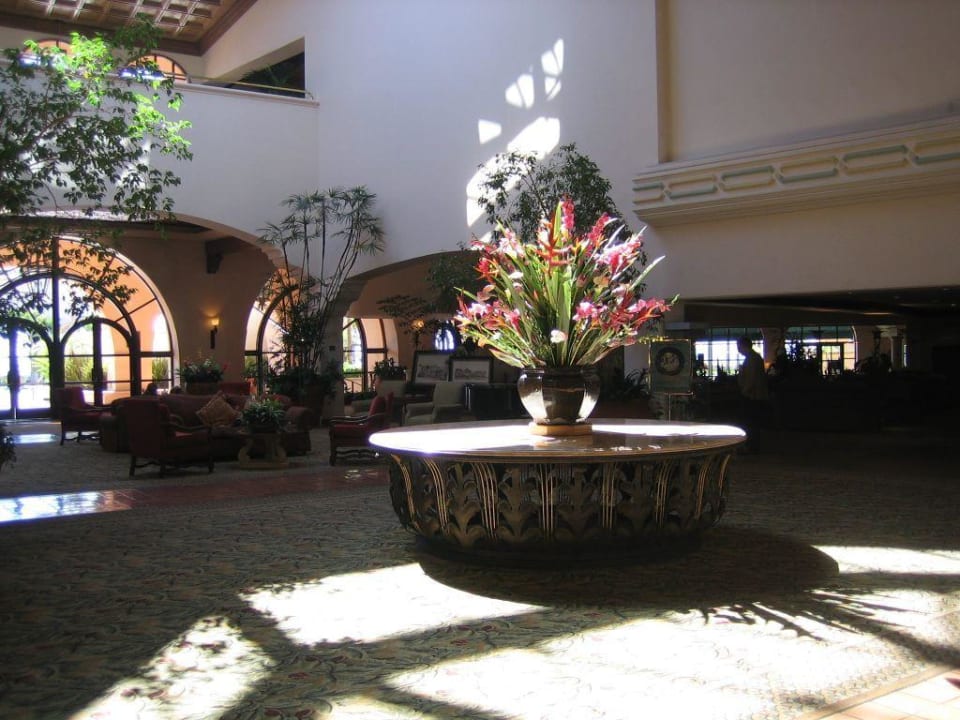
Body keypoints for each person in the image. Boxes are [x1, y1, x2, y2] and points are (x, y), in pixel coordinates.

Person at [736, 336, 769, 447]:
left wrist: (744, 392)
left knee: (750, 423)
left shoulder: (751, 359)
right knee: (753, 423)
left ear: (743, 346)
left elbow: (751, 379)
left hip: (752, 396)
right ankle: (752, 446)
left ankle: (751, 446)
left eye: (738, 346)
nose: (738, 349)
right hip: (754, 395)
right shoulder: (754, 358)